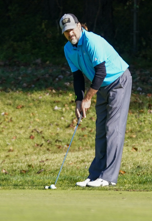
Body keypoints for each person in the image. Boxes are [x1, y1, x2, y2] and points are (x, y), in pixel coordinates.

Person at [59, 13, 131, 188]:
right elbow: (77, 76)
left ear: (79, 26)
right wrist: (78, 100)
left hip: (118, 81)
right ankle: (95, 175)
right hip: (102, 86)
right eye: (66, 32)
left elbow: (101, 72)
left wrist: (88, 98)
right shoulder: (68, 49)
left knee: (112, 129)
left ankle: (108, 178)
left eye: (72, 30)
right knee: (100, 130)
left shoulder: (92, 41)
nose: (70, 34)